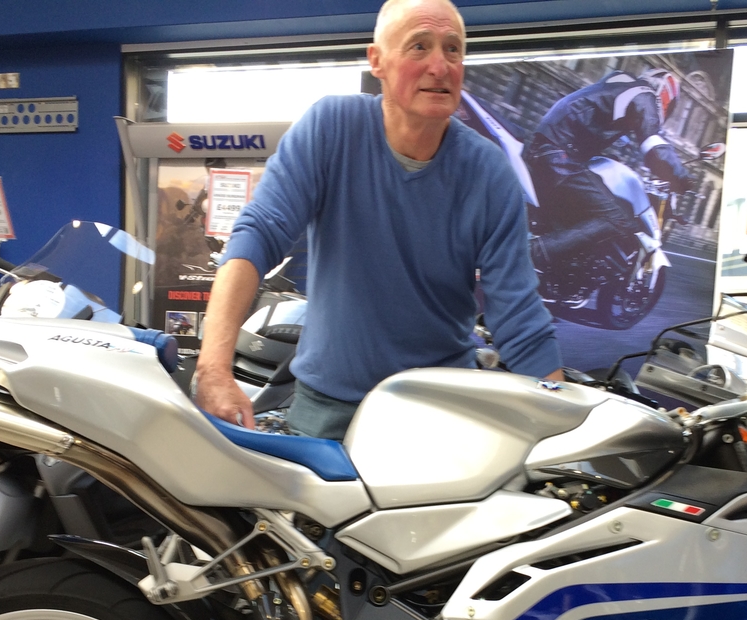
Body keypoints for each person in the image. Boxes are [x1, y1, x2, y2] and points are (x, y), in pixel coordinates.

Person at [194, 0, 562, 441]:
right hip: (328, 410)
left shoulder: (488, 171)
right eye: (419, 47)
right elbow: (260, 231)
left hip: (442, 413)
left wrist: (566, 427)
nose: (439, 66)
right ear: (378, 61)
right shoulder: (332, 128)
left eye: (453, 49)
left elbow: (518, 314)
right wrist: (212, 369)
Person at [526, 67, 696, 270]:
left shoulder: (618, 86)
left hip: (549, 149)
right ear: (665, 92)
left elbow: (593, 123)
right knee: (618, 219)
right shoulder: (645, 95)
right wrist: (681, 178)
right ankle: (531, 253)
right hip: (560, 155)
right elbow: (654, 146)